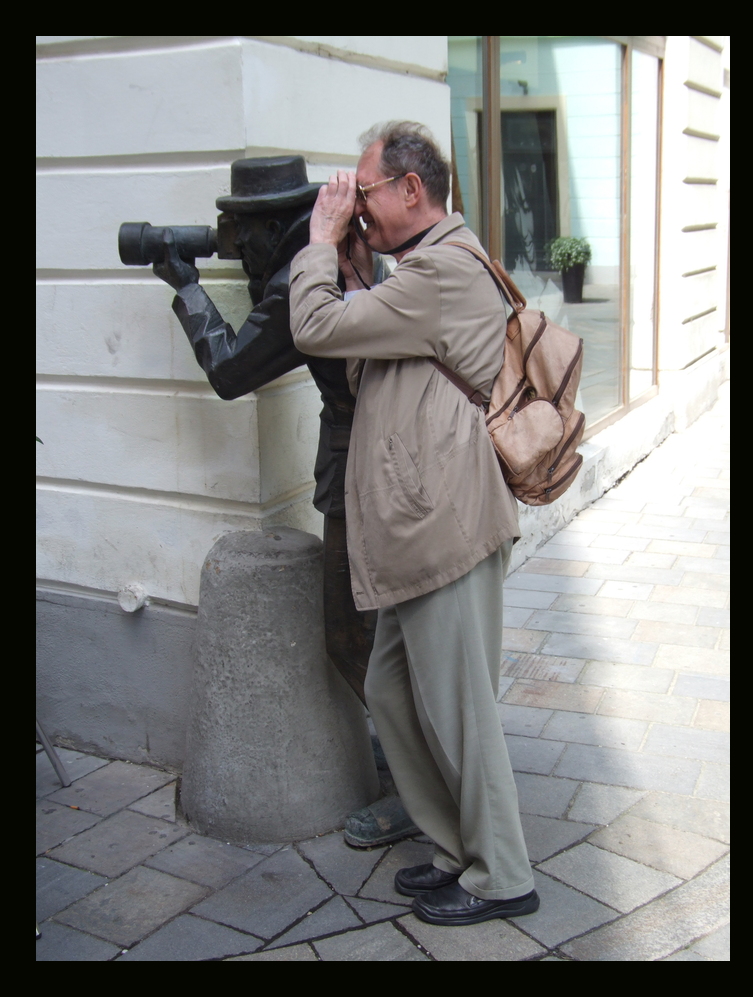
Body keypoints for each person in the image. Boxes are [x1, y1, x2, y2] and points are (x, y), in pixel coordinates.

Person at [289, 121, 538, 925]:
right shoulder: (417, 274)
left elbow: (315, 328)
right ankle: (456, 848)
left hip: (448, 524)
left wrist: (322, 246)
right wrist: (358, 272)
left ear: (410, 190)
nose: (355, 208)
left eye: (363, 193)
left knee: (459, 708)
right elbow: (367, 366)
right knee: (397, 696)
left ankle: (502, 873)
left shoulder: (441, 270)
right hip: (417, 526)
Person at [150, 155, 419, 847]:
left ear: (271, 230)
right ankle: (414, 755)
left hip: (364, 467)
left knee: (355, 633)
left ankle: (420, 789)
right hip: (386, 457)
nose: (235, 250)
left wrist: (185, 283)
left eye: (239, 234)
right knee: (388, 628)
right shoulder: (330, 251)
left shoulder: (305, 269)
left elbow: (233, 370)